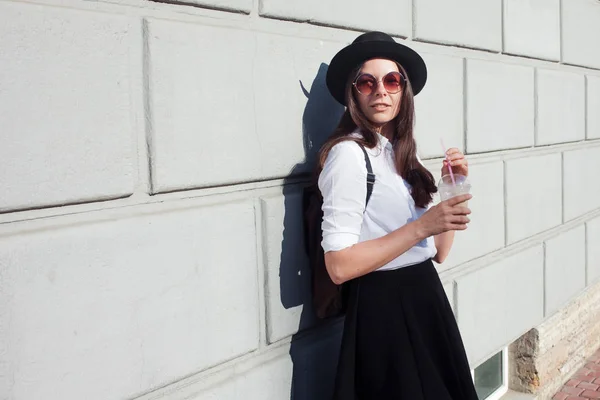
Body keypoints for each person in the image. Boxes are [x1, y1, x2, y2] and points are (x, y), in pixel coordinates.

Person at [318, 31, 479, 400]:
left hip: (425, 297)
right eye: (367, 82)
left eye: (392, 80)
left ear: (403, 90)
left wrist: (452, 187)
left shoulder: (403, 153)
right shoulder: (348, 155)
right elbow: (338, 266)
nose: (381, 91)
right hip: (384, 307)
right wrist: (423, 224)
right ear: (353, 92)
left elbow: (438, 252)